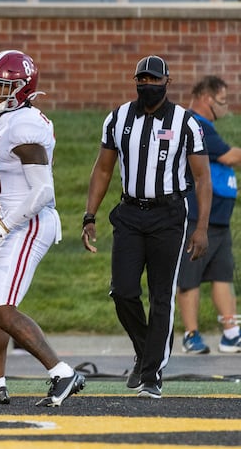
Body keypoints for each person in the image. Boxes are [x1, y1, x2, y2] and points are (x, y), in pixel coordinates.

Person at [82, 55, 211, 399]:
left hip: (169, 214)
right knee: (122, 291)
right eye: (143, 79)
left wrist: (200, 229)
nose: (148, 86)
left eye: (155, 80)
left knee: (161, 295)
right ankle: (145, 349)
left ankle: (152, 373)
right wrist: (89, 214)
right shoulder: (118, 118)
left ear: (167, 82)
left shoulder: (186, 122)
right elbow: (104, 169)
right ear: (135, 80)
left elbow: (202, 177)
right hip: (129, 212)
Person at [0, 49, 85, 408]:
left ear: (21, 89)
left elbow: (42, 191)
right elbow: (12, 187)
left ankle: (61, 372)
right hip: (15, 218)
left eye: (1, 86)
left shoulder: (23, 125)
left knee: (3, 307)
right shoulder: (9, 120)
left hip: (31, 223)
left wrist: (3, 223)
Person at [177, 75, 241, 354]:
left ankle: (231, 333)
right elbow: (229, 156)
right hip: (197, 218)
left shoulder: (208, 127)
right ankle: (191, 335)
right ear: (206, 99)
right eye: (222, 101)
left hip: (219, 220)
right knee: (190, 276)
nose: (225, 107)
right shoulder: (197, 125)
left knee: (222, 275)